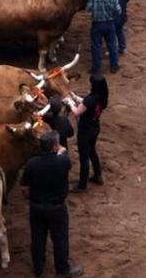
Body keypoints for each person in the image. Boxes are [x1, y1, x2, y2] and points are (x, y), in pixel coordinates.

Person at [19, 131, 84, 277]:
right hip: (57, 208)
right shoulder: (64, 162)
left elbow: (24, 188)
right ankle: (62, 270)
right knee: (60, 239)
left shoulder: (31, 164)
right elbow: (62, 151)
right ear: (54, 147)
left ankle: (38, 268)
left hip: (36, 206)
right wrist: (60, 149)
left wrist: (30, 199)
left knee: (37, 238)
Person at [65, 74, 108, 193]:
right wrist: (75, 97)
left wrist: (69, 102)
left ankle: (82, 185)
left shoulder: (91, 99)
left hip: (85, 130)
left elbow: (77, 112)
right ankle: (98, 175)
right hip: (95, 127)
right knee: (92, 151)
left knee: (84, 157)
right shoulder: (102, 96)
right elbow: (86, 104)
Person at [86, 0, 121, 73]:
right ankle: (114, 66)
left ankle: (96, 68)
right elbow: (118, 11)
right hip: (109, 24)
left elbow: (87, 9)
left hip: (96, 24)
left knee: (96, 46)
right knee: (112, 45)